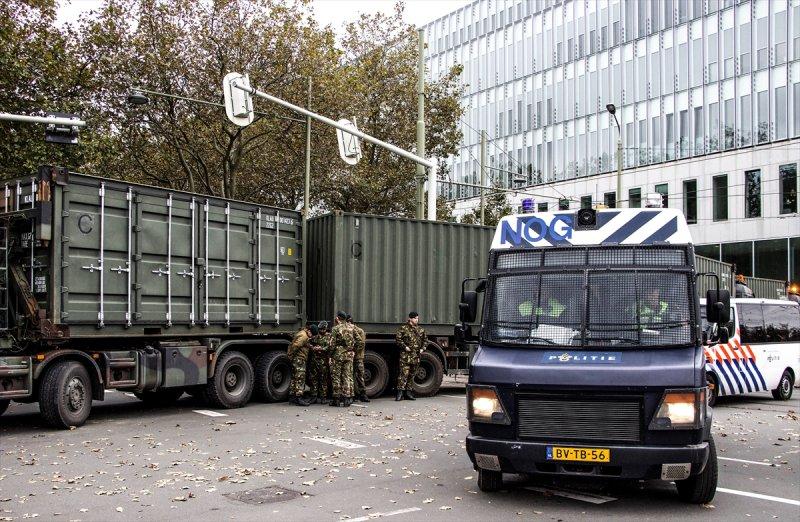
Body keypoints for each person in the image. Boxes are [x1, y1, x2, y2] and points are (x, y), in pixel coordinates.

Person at [395, 311, 427, 401]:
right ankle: (400, 393)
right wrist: (405, 347)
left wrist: (422, 348)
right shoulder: (403, 329)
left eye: (417, 318)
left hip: (415, 357)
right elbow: (398, 339)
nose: (417, 320)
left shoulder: (420, 330)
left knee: (412, 375)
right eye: (415, 318)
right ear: (410, 319)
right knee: (403, 374)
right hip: (405, 357)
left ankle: (408, 393)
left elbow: (425, 340)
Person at [287, 322, 318, 406]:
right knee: (300, 378)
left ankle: (292, 397)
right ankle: (299, 397)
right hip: (299, 359)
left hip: (297, 359)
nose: (311, 336)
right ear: (309, 331)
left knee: (295, 378)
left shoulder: (303, 334)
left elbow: (303, 344)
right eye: (312, 334)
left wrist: (311, 347)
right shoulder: (304, 336)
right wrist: (291, 355)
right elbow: (295, 346)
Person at [330, 311, 355, 407]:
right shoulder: (351, 327)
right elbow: (358, 340)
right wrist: (352, 350)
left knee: (336, 376)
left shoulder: (336, 328)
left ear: (338, 318)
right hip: (348, 355)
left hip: (338, 355)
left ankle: (336, 399)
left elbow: (332, 344)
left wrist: (330, 355)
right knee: (346, 376)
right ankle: (346, 399)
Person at [308, 321, 332, 404]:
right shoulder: (316, 336)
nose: (321, 331)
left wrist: (321, 348)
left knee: (323, 379)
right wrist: (313, 348)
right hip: (314, 360)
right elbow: (308, 343)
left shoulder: (329, 336)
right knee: (313, 378)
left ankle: (323, 397)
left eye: (323, 329)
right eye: (320, 329)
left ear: (326, 328)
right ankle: (313, 396)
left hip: (323, 361)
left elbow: (330, 347)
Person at [348, 315, 370, 403]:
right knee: (350, 376)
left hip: (358, 357)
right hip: (350, 357)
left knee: (360, 375)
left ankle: (363, 394)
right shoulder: (348, 331)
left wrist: (353, 351)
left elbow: (361, 344)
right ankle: (353, 394)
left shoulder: (360, 331)